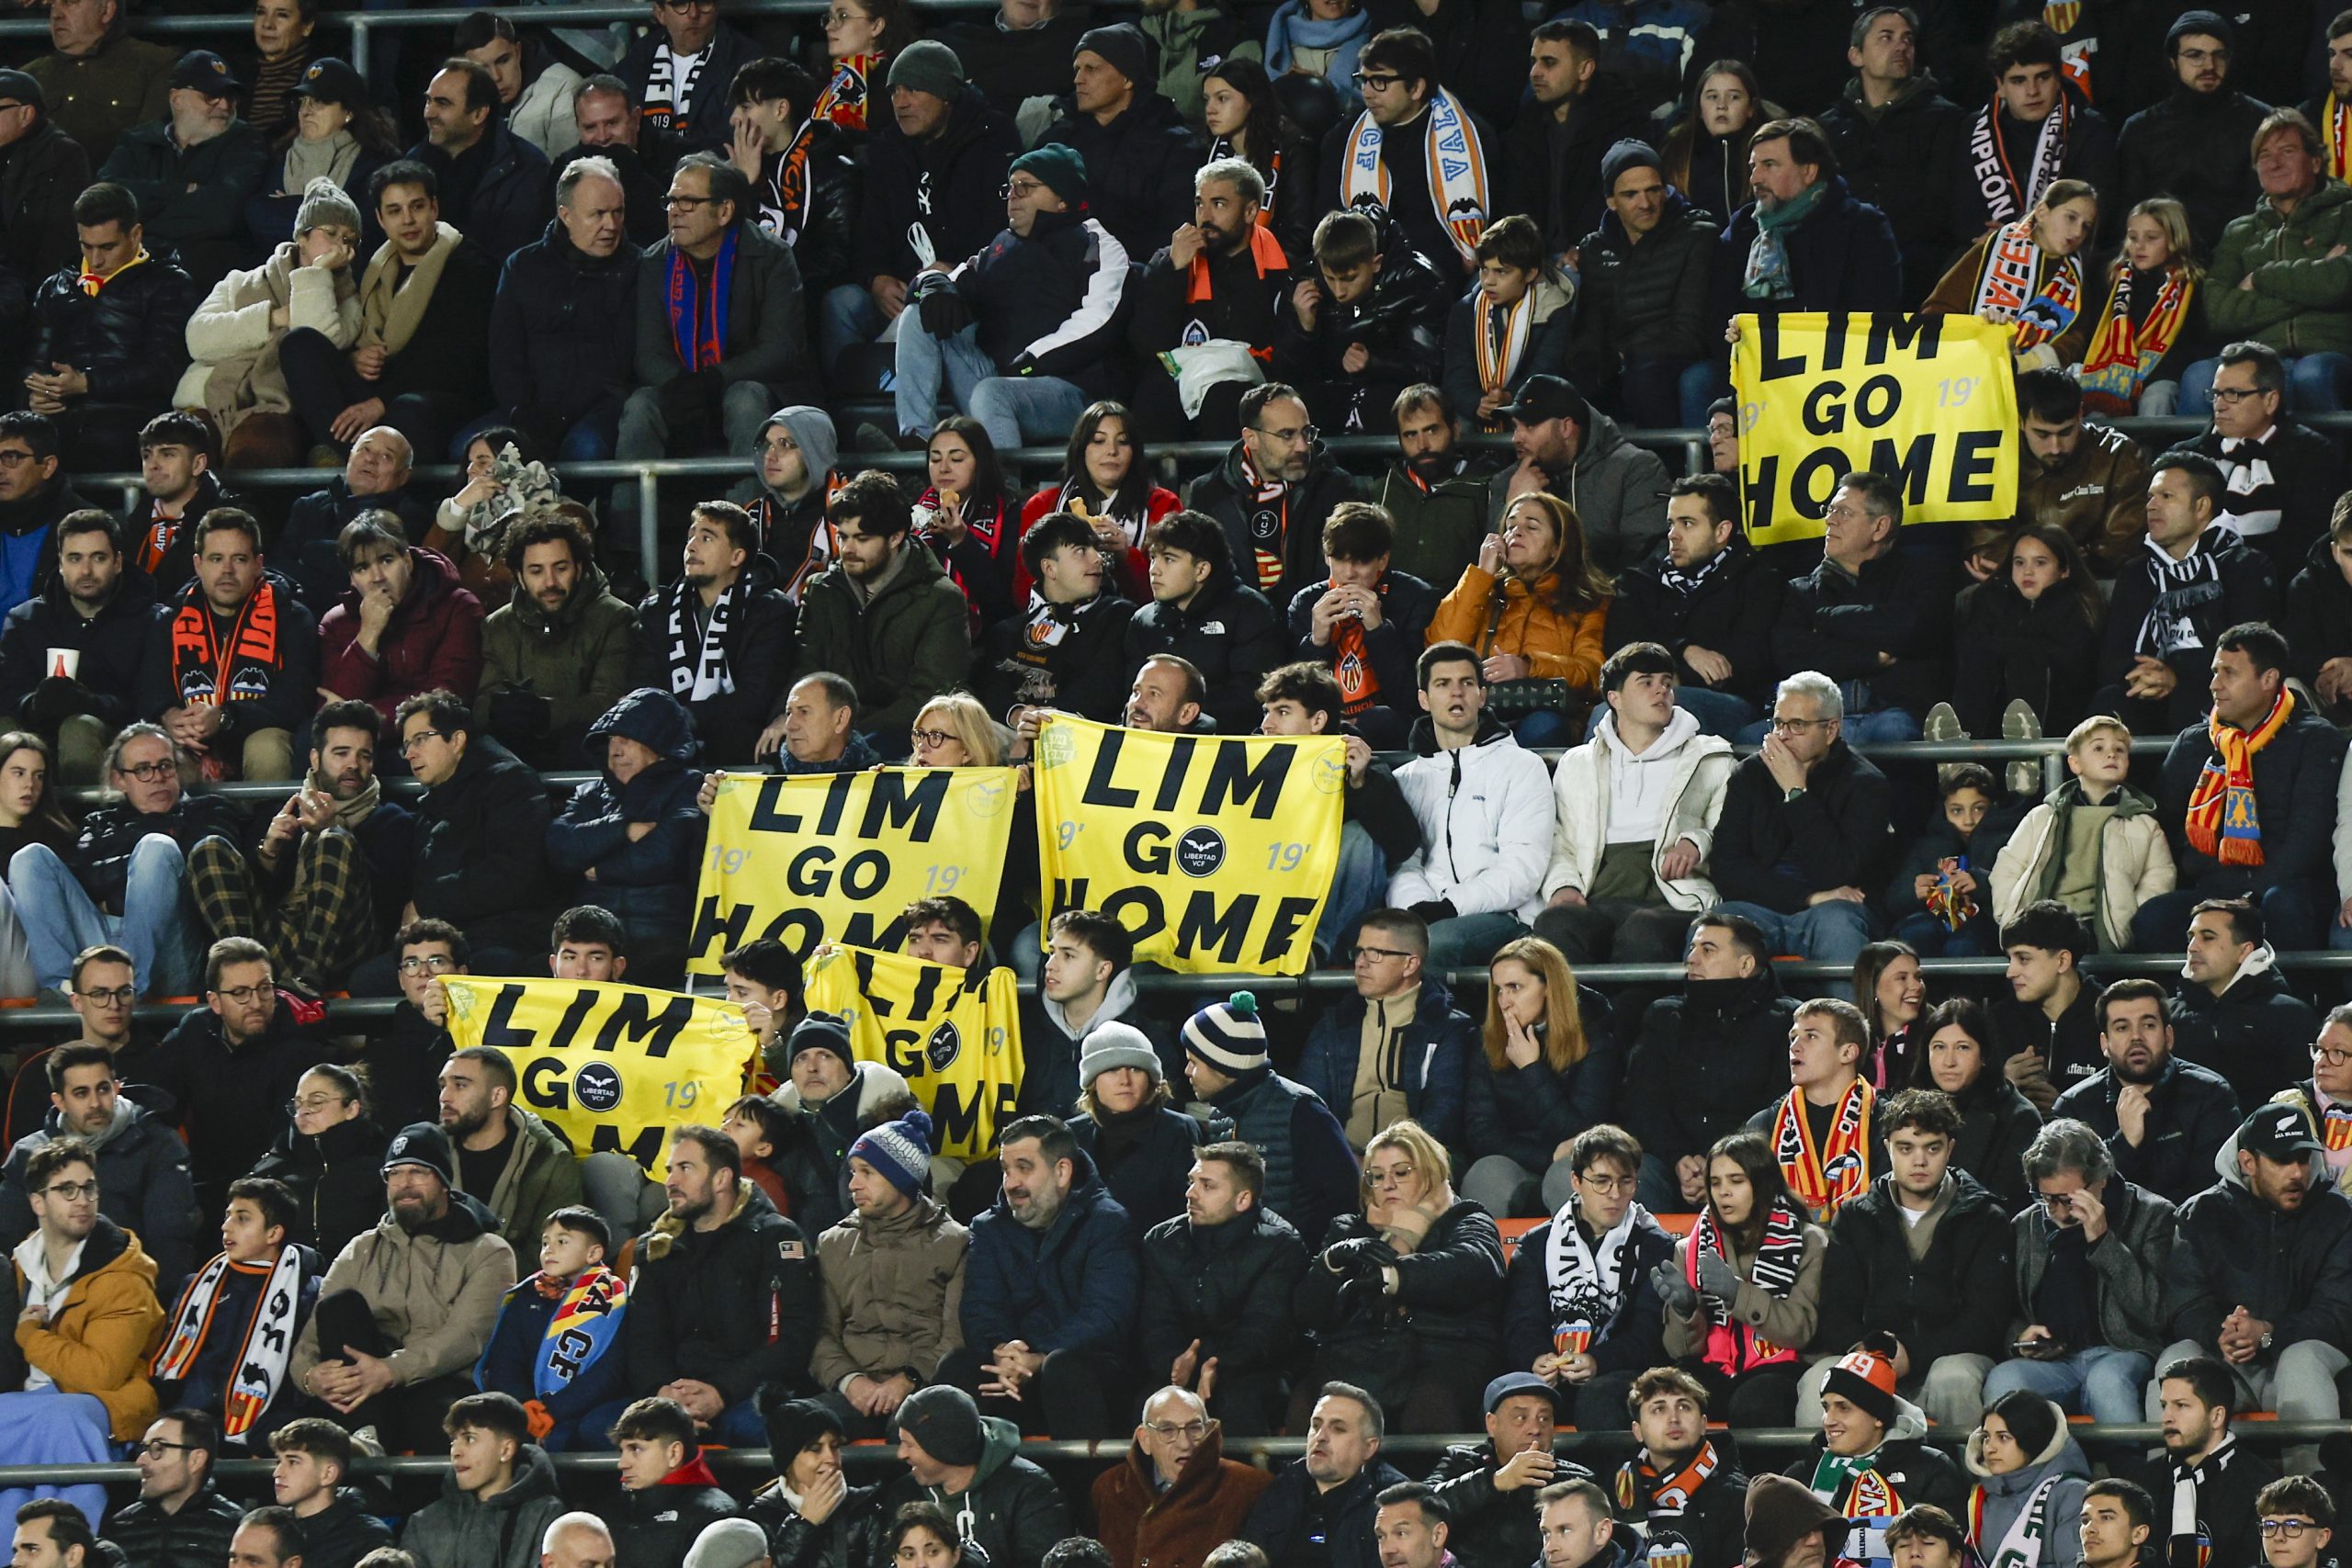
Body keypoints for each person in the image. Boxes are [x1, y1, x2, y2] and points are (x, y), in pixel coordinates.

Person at [876, 142, 1125, 457]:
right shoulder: (1000, 246)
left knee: (992, 392)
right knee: (918, 315)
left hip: (1070, 391)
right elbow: (942, 283)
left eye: (1027, 187)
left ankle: (1002, 493)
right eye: (1011, 187)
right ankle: (919, 443)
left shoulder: (1093, 240)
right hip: (998, 379)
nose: (1013, 195)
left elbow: (1100, 320)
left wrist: (1029, 363)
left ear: (1063, 199)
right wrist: (932, 284)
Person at [1795, 1088, 2010, 1429]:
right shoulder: (1854, 1216)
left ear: (1950, 1149)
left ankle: (1968, 1483)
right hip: (1868, 1357)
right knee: (1818, 1381)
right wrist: (1869, 1353)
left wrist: (1914, 1353)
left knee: (1953, 1378)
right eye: (1906, 1148)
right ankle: (1821, 1484)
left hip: (1948, 1358)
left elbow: (1986, 1320)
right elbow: (1835, 1308)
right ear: (1887, 1149)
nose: (1919, 1161)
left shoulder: (1985, 1217)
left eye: (1932, 1148)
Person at [2140, 623, 2346, 954]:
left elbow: (2308, 841)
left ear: (2268, 679)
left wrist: (2248, 894)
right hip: (2211, 891)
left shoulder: (2315, 740)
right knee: (2154, 917)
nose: (2214, 685)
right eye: (2214, 671)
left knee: (2285, 906)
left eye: (2229, 673)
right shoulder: (2194, 743)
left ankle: (2297, 1002)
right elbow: (2166, 823)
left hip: (2288, 888)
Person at [2152, 1103, 2352, 1438]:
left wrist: (2268, 1333)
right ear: (2248, 1162)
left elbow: (2337, 1314)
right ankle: (2173, 1486)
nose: (2298, 1174)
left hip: (2300, 1363)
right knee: (2176, 1359)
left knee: (2301, 1359)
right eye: (2282, 1161)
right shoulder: (2201, 1214)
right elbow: (2185, 1304)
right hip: (2227, 1368)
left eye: (2303, 1159)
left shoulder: (2338, 1216)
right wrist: (2224, 1338)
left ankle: (2314, 1487)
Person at [938, 1114, 1136, 1438]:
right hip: (1014, 1372)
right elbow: (980, 1307)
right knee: (958, 1368)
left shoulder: (1107, 1223)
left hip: (1087, 1369)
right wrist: (1004, 1349)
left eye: (1024, 1168)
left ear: (1062, 1171)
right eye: (1006, 1169)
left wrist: (1039, 1356)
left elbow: (1105, 1317)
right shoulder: (988, 1228)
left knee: (1064, 1369)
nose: (1011, 1182)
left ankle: (1081, 1486)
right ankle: (968, 1487)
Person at [620, 154, 812, 486]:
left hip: (754, 390)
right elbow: (648, 352)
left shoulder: (772, 256)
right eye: (671, 201)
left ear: (724, 211)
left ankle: (747, 523)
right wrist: (680, 385)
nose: (675, 211)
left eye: (689, 202)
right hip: (681, 391)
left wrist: (714, 379)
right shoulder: (654, 261)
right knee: (640, 406)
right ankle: (628, 532)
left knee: (744, 399)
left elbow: (780, 350)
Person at [826, 42, 1020, 372]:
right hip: (901, 289)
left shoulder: (992, 138)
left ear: (945, 94)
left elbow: (1006, 228)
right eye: (894, 92)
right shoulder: (887, 148)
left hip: (965, 288)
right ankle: (846, 404)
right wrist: (877, 278)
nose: (900, 103)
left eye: (913, 90)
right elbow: (869, 228)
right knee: (841, 303)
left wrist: (957, 269)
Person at [9, 726, 241, 999]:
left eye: (165, 766)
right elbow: (82, 875)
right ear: (119, 780)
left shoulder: (207, 811)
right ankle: (62, 989)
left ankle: (128, 991)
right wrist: (135, 885)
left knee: (157, 848)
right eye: (143, 769)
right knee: (30, 857)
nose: (157, 778)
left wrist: (115, 898)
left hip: (168, 954)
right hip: (99, 942)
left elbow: (197, 871)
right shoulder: (97, 823)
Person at [1537, 642, 1733, 964]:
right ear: (1615, 699)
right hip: (1596, 895)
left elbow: (1728, 827)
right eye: (1646, 682)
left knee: (1644, 930)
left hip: (1674, 898)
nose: (1661, 691)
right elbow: (1558, 839)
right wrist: (1563, 886)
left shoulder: (1709, 756)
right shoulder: (1577, 763)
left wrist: (1695, 843)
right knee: (1555, 924)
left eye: (1667, 683)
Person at [627, 1123, 817, 1445]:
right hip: (674, 1394)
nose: (670, 1181)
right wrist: (664, 1395)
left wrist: (721, 1392)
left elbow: (790, 1340)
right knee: (595, 1427)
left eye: (685, 1169)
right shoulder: (658, 1245)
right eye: (670, 1170)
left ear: (721, 1178)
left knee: (761, 1429)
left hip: (748, 1392)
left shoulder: (776, 1238)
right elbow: (642, 1339)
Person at [1981, 1117, 2176, 1425]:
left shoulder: (2152, 1215)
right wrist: (2020, 1337)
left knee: (2107, 1383)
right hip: (2054, 1362)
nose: (2058, 1212)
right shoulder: (2025, 1225)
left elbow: (2156, 1312)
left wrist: (2103, 1241)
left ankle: (2133, 1472)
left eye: (2069, 1199)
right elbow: (2003, 1309)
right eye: (2047, 1199)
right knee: (2004, 1381)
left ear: (2101, 1179)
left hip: (2123, 1352)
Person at [1710, 672, 1892, 978]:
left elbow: (1837, 873)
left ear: (1831, 729)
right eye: (1779, 723)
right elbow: (1726, 868)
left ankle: (1849, 1025)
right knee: (1713, 930)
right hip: (1762, 905)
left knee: (1839, 928)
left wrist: (1797, 794)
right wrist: (1807, 897)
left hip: (1835, 912)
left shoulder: (1866, 785)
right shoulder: (1750, 774)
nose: (1782, 735)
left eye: (1797, 725)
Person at [1493, 1122, 1668, 1433]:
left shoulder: (1656, 1245)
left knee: (1596, 1397)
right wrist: (1536, 1358)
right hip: (1551, 1375)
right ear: (1576, 1181)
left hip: (1622, 1375)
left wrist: (1598, 1361)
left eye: (1625, 1182)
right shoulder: (1537, 1245)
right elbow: (1521, 1322)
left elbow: (1649, 1333)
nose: (1615, 1194)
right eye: (1601, 1181)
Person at [1622, 914, 1801, 1214]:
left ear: (1745, 965)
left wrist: (1722, 1168)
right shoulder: (1663, 1017)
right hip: (1672, 1166)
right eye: (1692, 948)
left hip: (1749, 1164)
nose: (1691, 959)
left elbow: (1780, 1111)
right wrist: (1679, 1158)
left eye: (1708, 950)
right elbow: (1643, 1103)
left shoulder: (1786, 1021)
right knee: (1631, 1175)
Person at [1386, 642, 1554, 966]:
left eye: (1466, 683)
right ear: (1424, 699)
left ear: (1482, 695)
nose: (1456, 693)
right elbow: (1403, 864)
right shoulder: (1405, 779)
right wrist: (1417, 909)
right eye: (1442, 684)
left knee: (1436, 946)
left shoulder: (1522, 766)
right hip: (1426, 916)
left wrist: (1449, 907)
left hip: (1506, 916)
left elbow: (1523, 867)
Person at [181, 178, 363, 473]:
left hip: (275, 409)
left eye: (349, 239)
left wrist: (316, 275)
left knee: (258, 448)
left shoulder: (348, 299)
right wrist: (273, 318)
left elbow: (314, 341)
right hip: (206, 399)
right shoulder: (240, 282)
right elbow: (199, 339)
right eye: (330, 233)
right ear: (301, 237)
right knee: (181, 448)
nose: (340, 245)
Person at [807, 1105, 966, 1436]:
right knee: (801, 1424)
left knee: (914, 1430)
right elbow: (820, 1331)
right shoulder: (833, 1243)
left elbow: (954, 1337)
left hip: (924, 1388)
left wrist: (908, 1379)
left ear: (900, 1178)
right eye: (852, 1171)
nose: (853, 1184)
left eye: (867, 1172)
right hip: (853, 1390)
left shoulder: (955, 1243)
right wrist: (851, 1382)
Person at [2094, 456, 2280, 735]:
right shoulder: (2135, 573)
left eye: (2166, 496)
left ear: (2202, 506)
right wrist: (2144, 676)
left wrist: (2177, 678)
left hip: (2212, 695)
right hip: (2148, 696)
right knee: (2110, 701)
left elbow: (2249, 658)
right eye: (2150, 497)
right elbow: (2112, 657)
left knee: (2197, 705)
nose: (2151, 506)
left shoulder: (2246, 566)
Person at [784, 478, 969, 756]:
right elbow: (805, 669)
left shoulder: (941, 599)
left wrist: (846, 734)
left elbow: (927, 697)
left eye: (862, 539)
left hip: (901, 738)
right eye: (843, 536)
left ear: (895, 537)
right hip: (829, 731)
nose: (848, 549)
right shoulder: (823, 590)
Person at [23, 183, 198, 479]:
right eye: (86, 246)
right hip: (56, 419)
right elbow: (31, 362)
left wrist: (87, 384)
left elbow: (164, 368)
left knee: (101, 443)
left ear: (136, 235)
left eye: (107, 247)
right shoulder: (56, 287)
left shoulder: (168, 285)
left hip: (129, 417)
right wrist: (33, 395)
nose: (96, 260)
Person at [1653, 1134, 1825, 1428]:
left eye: (1736, 1181)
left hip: (1780, 1369)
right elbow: (1680, 1352)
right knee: (1667, 1397)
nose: (1723, 1193)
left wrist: (1736, 1294)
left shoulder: (1807, 1241)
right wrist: (1686, 1312)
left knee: (1755, 1401)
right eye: (1716, 1183)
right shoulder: (1690, 1248)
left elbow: (1800, 1331)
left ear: (1762, 1184)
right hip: (1715, 1370)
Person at [0, 1136, 167, 1440]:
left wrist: (30, 1336)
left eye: (89, 1188)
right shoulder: (21, 1263)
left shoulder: (125, 1275)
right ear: (38, 1202)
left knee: (58, 1417)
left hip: (102, 1405)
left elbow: (101, 1374)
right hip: (31, 1402)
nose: (82, 1200)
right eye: (67, 1190)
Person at [1138, 1142, 1306, 1438]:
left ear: (1243, 1199)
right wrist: (1175, 1364)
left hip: (1254, 1372)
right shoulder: (1161, 1241)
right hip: (1177, 1372)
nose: (1190, 1193)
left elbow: (1265, 1329)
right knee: (1148, 1405)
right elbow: (1156, 1321)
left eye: (1207, 1185)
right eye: (1192, 1182)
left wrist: (1215, 1363)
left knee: (1239, 1403)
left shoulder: (1280, 1246)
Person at [2189, 110, 2352, 415]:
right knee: (2197, 377)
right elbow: (2219, 312)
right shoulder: (2239, 230)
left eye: (2287, 152)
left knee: (2311, 376)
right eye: (2264, 156)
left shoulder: (2347, 213)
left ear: (2316, 162)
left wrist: (2260, 278)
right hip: (2256, 360)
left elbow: (2343, 282)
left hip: (2329, 353)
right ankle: (2195, 465)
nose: (2274, 163)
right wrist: (2314, 280)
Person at [1770, 471, 1953, 744]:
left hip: (1893, 714)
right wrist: (1871, 658)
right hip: (1814, 721)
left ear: (1880, 527)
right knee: (1751, 737)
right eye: (1830, 510)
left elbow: (1911, 629)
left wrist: (1826, 620)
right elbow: (1791, 656)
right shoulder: (1800, 590)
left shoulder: (1921, 577)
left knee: (1894, 732)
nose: (1830, 520)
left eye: (1844, 512)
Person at [0, 1041, 197, 1292]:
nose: (95, 1103)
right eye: (81, 1093)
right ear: (59, 1101)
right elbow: (8, 1240)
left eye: (103, 1089)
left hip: (131, 1295)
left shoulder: (159, 1145)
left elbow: (171, 1241)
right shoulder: (29, 1154)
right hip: (45, 1298)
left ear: (117, 1088)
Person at [388, 690, 551, 981]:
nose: (410, 753)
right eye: (406, 745)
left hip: (504, 936)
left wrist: (428, 903)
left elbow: (512, 875)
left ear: (458, 740)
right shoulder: (434, 801)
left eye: (421, 739)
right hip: (448, 942)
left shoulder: (511, 784)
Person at [1604, 476, 1781, 739]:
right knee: (1604, 715)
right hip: (1648, 695)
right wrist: (1683, 650)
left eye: (1687, 524)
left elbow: (1745, 664)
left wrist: (1666, 676)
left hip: (1730, 703)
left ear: (1722, 531)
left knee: (1673, 707)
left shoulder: (1758, 581)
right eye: (1671, 524)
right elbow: (1620, 646)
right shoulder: (1643, 578)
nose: (1673, 535)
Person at [485, 156, 636, 463]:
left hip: (603, 409)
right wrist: (521, 410)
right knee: (470, 449)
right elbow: (504, 353)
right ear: (565, 215)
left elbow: (628, 364)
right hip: (529, 409)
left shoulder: (639, 267)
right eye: (598, 214)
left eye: (617, 212)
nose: (611, 225)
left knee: (585, 450)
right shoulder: (522, 266)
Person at [1458, 939, 1621, 1219]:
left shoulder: (1594, 1039)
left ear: (1549, 987)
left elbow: (1582, 1133)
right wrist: (1545, 1155)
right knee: (1486, 1174)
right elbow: (1481, 1131)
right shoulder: (1487, 1041)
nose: (1504, 1002)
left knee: (1566, 1176)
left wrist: (1531, 1068)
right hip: (1519, 1158)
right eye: (1499, 990)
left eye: (1515, 988)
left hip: (1578, 1161)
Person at [1566, 142, 1719, 431]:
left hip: (1673, 362)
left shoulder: (1697, 236)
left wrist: (1626, 354)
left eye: (1653, 190)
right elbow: (1590, 332)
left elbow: (1690, 332)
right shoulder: (1595, 248)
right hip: (1623, 364)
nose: (1645, 203)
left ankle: (1669, 471)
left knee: (1646, 377)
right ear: (1611, 201)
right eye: (1630, 194)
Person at [1321, 28, 1491, 286]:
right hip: (1358, 283)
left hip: (1442, 283)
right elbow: (1325, 222)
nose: (1367, 92)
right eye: (1364, 79)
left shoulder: (1475, 139)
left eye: (1380, 81)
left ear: (1416, 88)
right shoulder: (1342, 141)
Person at [0, 512, 159, 786]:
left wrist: (89, 703)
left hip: (115, 740)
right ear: (60, 563)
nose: (86, 571)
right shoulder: (26, 620)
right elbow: (9, 696)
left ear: (118, 562)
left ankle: (86, 825)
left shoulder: (151, 620)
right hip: (36, 737)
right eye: (75, 558)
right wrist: (36, 704)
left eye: (98, 558)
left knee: (78, 728)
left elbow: (150, 707)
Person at [1296, 904, 1472, 1152]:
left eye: (1375, 953)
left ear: (1410, 964)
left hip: (1418, 1160)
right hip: (1341, 1160)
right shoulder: (1334, 1025)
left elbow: (1444, 1113)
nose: (1360, 963)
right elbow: (1308, 1105)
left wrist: (1390, 1163)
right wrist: (1337, 1160)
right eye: (1358, 952)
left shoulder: (1448, 1027)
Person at [2052, 979, 2243, 1205]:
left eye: (2148, 1025)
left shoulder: (2210, 1094)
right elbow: (2069, 1200)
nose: (2136, 1037)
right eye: (2122, 1027)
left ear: (2169, 1036)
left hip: (2186, 1235)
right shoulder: (2074, 1107)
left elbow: (2216, 1196)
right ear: (2105, 1043)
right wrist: (2125, 1144)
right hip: (2105, 1235)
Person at [628, 503, 790, 770]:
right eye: (691, 536)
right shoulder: (657, 612)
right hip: (664, 743)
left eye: (706, 538)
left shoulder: (770, 610)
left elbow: (755, 698)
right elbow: (643, 685)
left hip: (738, 743)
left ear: (737, 556)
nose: (692, 546)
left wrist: (688, 717)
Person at [1708, 117, 1904, 334]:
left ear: (1809, 171)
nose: (1755, 178)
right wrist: (1731, 334)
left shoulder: (1862, 226)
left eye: (1770, 165)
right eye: (1753, 166)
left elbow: (1874, 316)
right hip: (1754, 363)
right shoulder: (1743, 228)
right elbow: (1718, 311)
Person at [1818, 9, 1962, 299]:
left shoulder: (1946, 118)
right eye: (1887, 37)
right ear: (1856, 55)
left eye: (1908, 39)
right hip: (1843, 272)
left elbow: (1942, 205)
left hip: (1919, 274)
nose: (1901, 46)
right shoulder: (1828, 126)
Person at [96, 51, 269, 291]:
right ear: (177, 99)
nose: (225, 105)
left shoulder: (246, 143)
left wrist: (137, 227)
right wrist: (181, 191)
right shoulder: (137, 140)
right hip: (133, 278)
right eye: (211, 96)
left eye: (231, 96)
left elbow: (221, 215)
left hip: (206, 286)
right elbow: (106, 202)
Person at [1035, 23, 1204, 270]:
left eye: (1091, 69)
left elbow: (1175, 229)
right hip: (1056, 276)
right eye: (1077, 69)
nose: (1078, 80)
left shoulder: (1175, 146)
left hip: (1137, 279)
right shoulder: (1058, 140)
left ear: (1127, 79)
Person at [1271, 209, 1450, 438]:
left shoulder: (1417, 282)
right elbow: (1286, 378)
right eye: (1331, 278)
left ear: (1376, 263)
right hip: (1326, 402)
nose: (1339, 291)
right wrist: (1303, 329)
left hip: (1390, 400)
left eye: (1349, 278)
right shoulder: (1304, 285)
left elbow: (1430, 370)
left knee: (1382, 402)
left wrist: (1375, 365)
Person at [475, 513, 636, 769]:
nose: (550, 582)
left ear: (579, 568)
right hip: (514, 755)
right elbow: (483, 705)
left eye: (561, 568)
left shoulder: (614, 617)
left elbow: (610, 702)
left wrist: (544, 713)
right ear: (519, 576)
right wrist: (502, 711)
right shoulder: (497, 626)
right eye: (536, 571)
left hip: (586, 753)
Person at [1781, 1345, 1970, 1562]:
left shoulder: (1932, 1469)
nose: (1828, 1420)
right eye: (1826, 1407)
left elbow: (1947, 1557)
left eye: (1843, 1407)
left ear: (1878, 1416)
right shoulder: (1799, 1477)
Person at [2171, 343, 2345, 578]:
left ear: (2270, 401)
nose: (2219, 405)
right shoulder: (2185, 457)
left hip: (2273, 590)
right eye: (2216, 394)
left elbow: (2307, 547)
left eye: (2233, 395)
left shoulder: (2311, 453)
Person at [473, 1205, 628, 1454]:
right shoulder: (526, 1296)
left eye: (562, 1241)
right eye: (545, 1243)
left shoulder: (612, 1299)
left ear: (593, 1253)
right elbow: (506, 1359)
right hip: (529, 1407)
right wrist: (524, 1402)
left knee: (565, 1437)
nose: (549, 1250)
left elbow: (609, 1372)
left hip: (582, 1409)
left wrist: (554, 1410)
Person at [1946, 21, 2119, 243]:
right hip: (1988, 252)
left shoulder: (2090, 128)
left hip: (2066, 256)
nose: (2032, 91)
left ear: (2058, 79)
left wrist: (2025, 237)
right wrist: (1995, 241)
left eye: (2043, 77)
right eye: (2019, 81)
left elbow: (2096, 214)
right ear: (2000, 85)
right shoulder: (1975, 129)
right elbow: (1963, 215)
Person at [2114, 13, 2266, 259]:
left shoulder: (2262, 123)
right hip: (2159, 267)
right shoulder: (2140, 130)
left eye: (2219, 55)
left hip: (2242, 264)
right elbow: (2125, 218)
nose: (2209, 66)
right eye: (2195, 55)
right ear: (2173, 61)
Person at [1118, 513, 1284, 739]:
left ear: (1201, 570)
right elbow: (1131, 695)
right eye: (1153, 558)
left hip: (1223, 748)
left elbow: (1252, 696)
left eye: (1169, 559)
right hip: (1149, 745)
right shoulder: (1143, 621)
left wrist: (1180, 716)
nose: (1154, 570)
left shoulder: (1250, 611)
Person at [875, 1383, 1073, 1568]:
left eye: (909, 1445)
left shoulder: (1030, 1489)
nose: (901, 1454)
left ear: (943, 1447)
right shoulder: (903, 1494)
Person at [1487, 377, 1668, 579]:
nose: (1516, 438)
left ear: (1566, 427)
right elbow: (1493, 567)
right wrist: (1511, 505)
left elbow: (1643, 563)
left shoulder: (1634, 469)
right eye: (1515, 427)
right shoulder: (1510, 481)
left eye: (1529, 426)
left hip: (1609, 604)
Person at [1924, 177, 2099, 374]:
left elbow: (2074, 339)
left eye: (2086, 226)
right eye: (2071, 218)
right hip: (1960, 370)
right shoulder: (1995, 247)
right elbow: (1937, 309)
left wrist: (2027, 363)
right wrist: (1976, 335)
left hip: (2030, 386)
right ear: (2042, 212)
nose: (2077, 232)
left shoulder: (2075, 277)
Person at [431, 1044, 583, 1265]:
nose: (445, 1097)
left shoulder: (550, 1161)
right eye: (443, 1085)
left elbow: (552, 1260)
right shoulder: (426, 1151)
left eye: (460, 1085)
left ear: (497, 1096)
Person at [2163, 898, 2319, 1114]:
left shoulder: (2291, 1016)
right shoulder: (2165, 1016)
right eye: (2191, 938)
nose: (2192, 947)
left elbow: (2304, 1102)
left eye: (2207, 937)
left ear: (2244, 951)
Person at [1092, 1384, 1272, 1568]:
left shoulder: (1247, 1487)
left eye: (1194, 1428)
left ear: (1208, 1430)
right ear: (1145, 1439)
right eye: (1167, 1430)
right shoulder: (1110, 1488)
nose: (1184, 1444)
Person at [1999, 372, 2150, 581]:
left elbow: (2122, 546)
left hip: (2091, 582)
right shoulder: (1997, 455)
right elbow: (1987, 538)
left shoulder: (2118, 455)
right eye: (2042, 434)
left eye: (2065, 432)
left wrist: (2046, 567)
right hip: (2016, 581)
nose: (2055, 447)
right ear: (2019, 421)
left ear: (2080, 414)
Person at [1241, 1382, 1409, 1568]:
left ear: (1369, 1447)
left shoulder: (1396, 1500)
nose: (1320, 1436)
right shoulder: (1284, 1487)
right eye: (1316, 1425)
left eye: (1338, 1429)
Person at [2132, 1359, 2279, 1568]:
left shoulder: (2263, 1487)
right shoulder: (2141, 1483)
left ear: (2217, 1416)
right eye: (2164, 1406)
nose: (2166, 1417)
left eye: (2181, 1406)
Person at [398, 1392, 566, 1568]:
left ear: (506, 1450)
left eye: (469, 1439)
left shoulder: (547, 1517)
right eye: (453, 1441)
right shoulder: (423, 1523)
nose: (456, 1451)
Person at [275, 428, 431, 617]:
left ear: (403, 475)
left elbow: (378, 581)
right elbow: (279, 569)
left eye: (386, 456)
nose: (371, 459)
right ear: (350, 457)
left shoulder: (410, 516)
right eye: (365, 449)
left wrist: (311, 553)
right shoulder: (309, 506)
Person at [247, 1064, 389, 1266]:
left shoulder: (381, 1168)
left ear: (351, 1109)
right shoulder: (271, 1171)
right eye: (298, 1104)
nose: (303, 1111)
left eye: (316, 1102)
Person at [2079, 197, 2205, 418]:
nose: (2139, 246)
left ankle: (2150, 453)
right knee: (2095, 415)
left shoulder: (2190, 285)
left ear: (2174, 239)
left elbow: (2191, 347)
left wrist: (2140, 376)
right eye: (2133, 237)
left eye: (2152, 238)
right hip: (2112, 379)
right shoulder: (2111, 279)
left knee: (2158, 396)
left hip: (2160, 377)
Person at [1908, 999, 2041, 1209]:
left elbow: (2006, 1207)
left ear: (1984, 1055)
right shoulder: (1908, 1109)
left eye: (1962, 1048)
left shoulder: (2019, 1118)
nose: (1949, 1061)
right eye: (1939, 1047)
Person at [18, 0, 173, 167]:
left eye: (70, 2)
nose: (56, 14)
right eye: (52, 5)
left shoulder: (155, 66)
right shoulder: (28, 76)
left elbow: (148, 156)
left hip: (116, 188)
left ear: (107, 10)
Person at [1370, 387, 1492, 593]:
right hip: (1394, 617)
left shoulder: (1485, 486)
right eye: (1410, 435)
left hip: (1462, 613)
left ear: (1455, 429)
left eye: (1432, 430)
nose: (1422, 445)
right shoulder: (1380, 493)